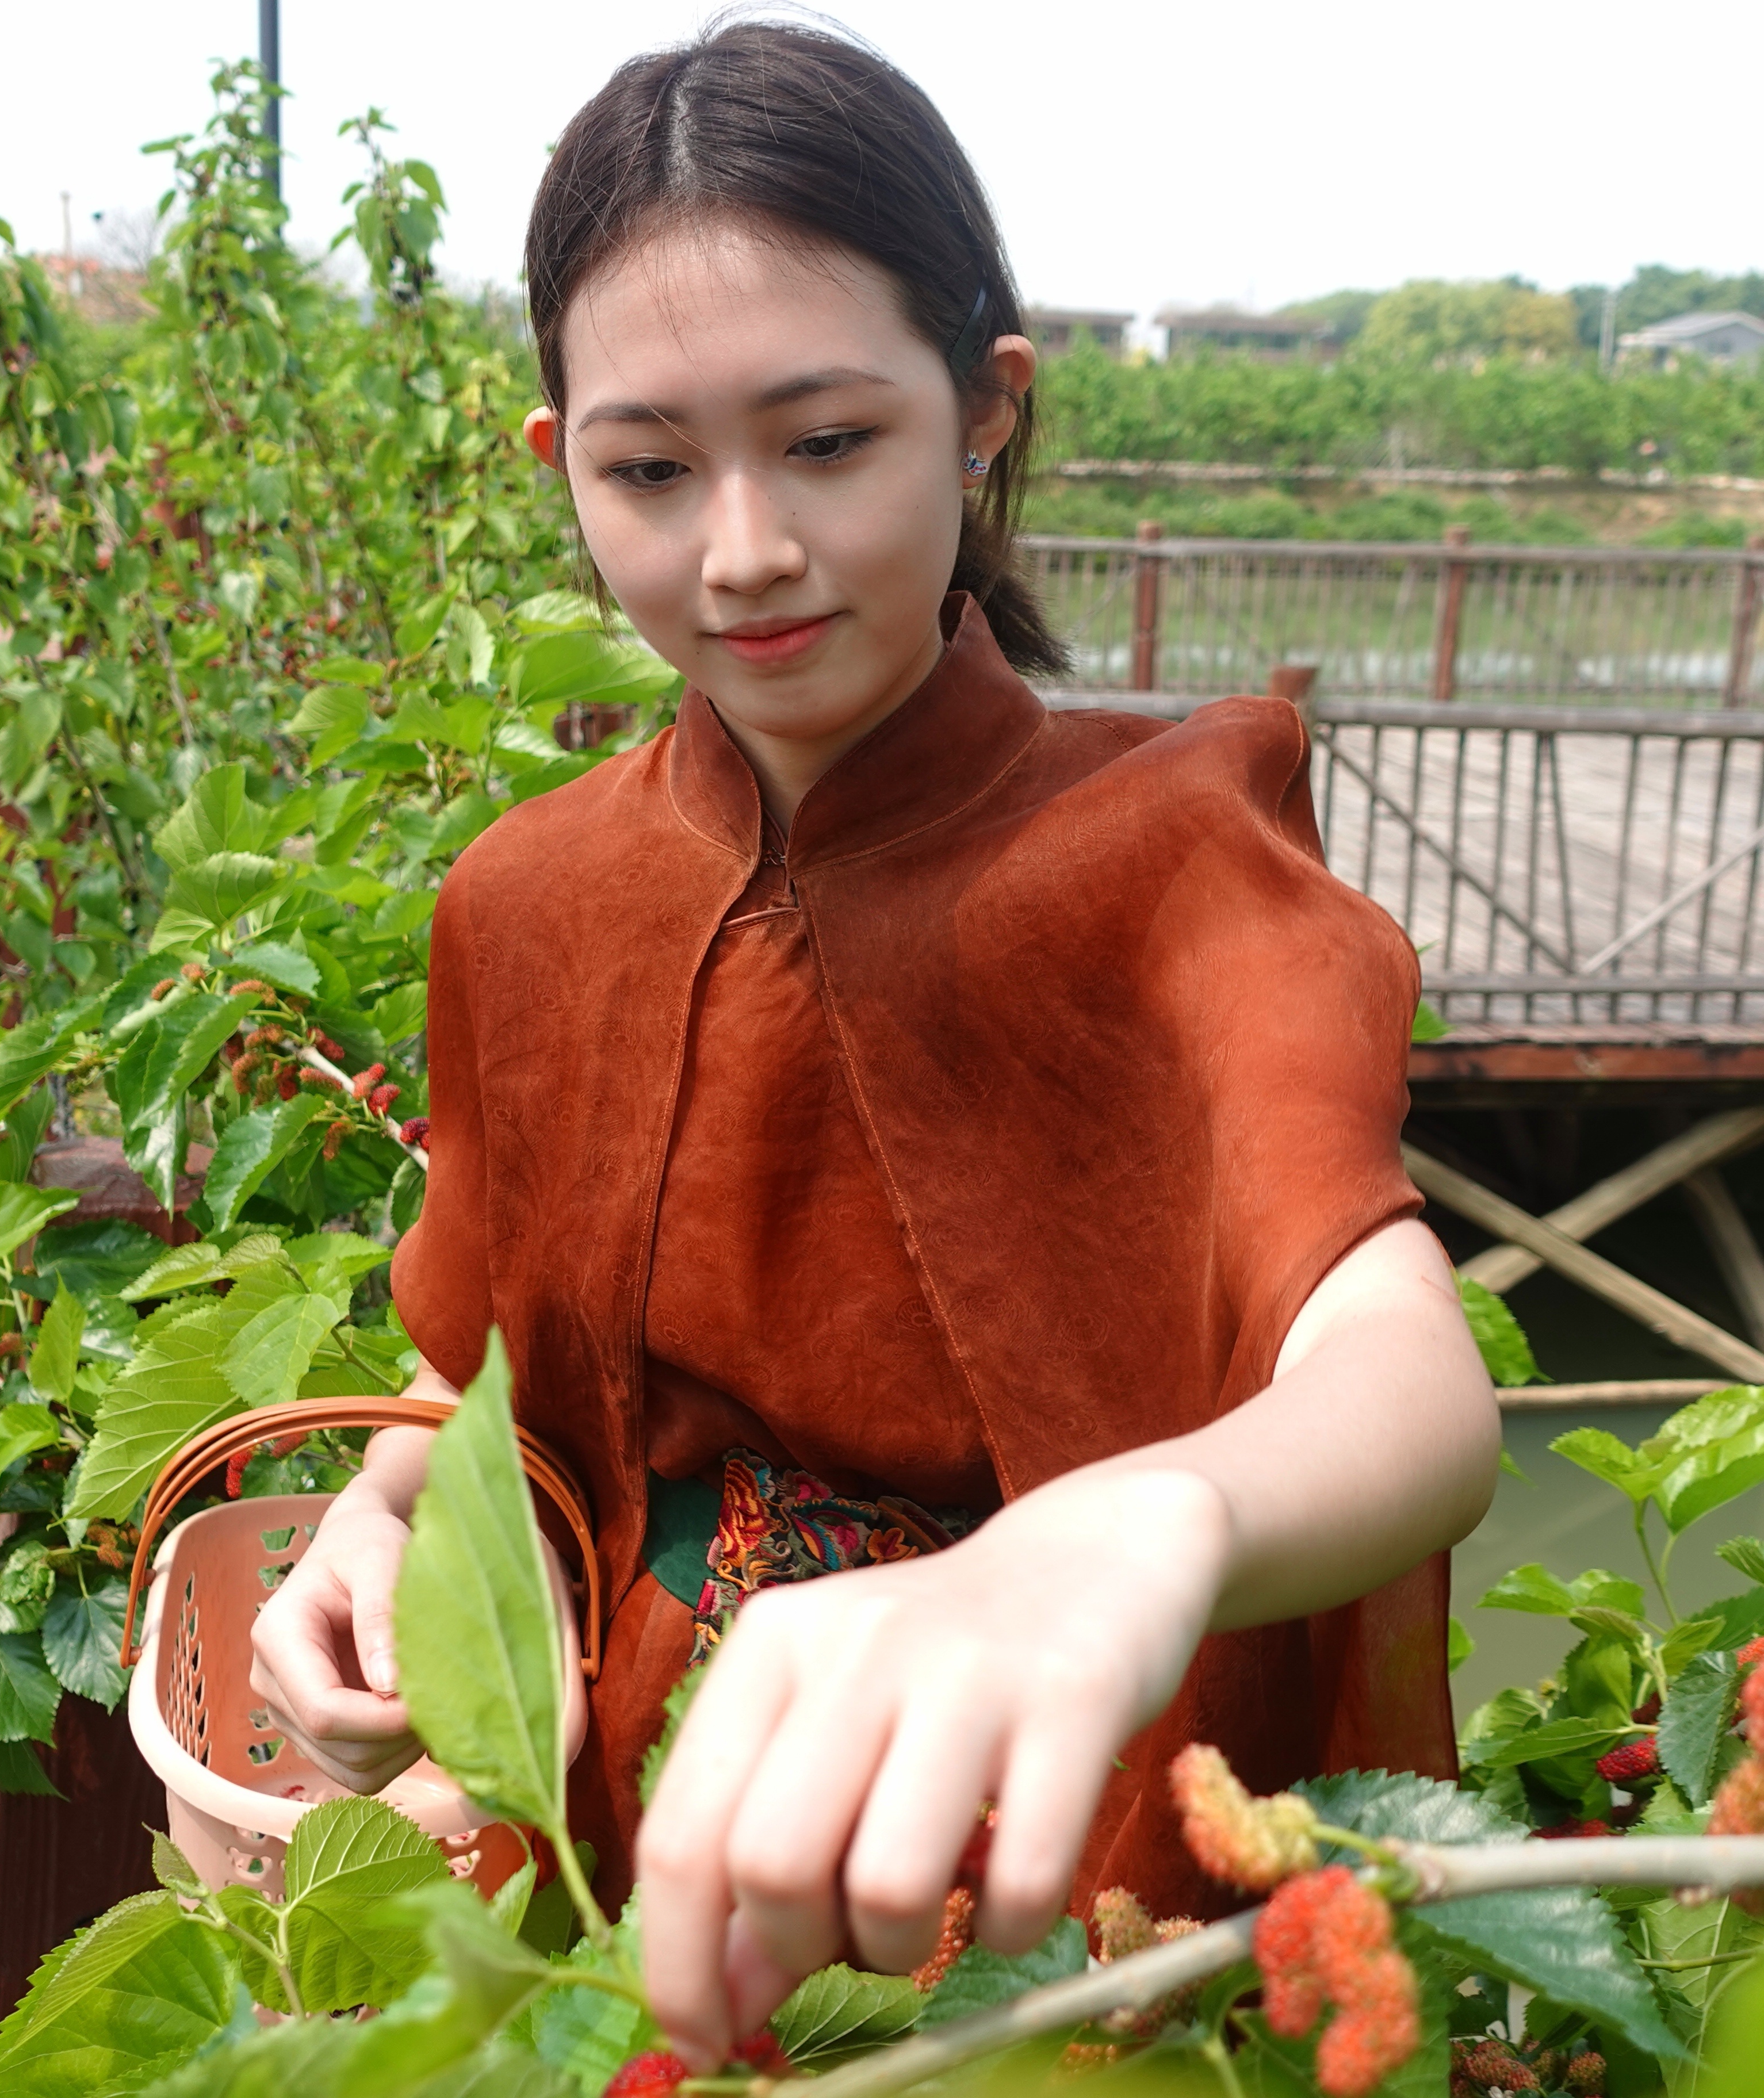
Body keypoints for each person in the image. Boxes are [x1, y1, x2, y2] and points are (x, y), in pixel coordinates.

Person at [244, 18, 1502, 2070]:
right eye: (652, 468)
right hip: (647, 1817)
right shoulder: (532, 899)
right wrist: (379, 1530)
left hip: (1068, 1864)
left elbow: (1399, 1369)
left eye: (829, 443)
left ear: (986, 412)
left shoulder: (1180, 855)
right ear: (559, 461)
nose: (741, 549)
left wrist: (1138, 1525)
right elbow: (481, 1366)